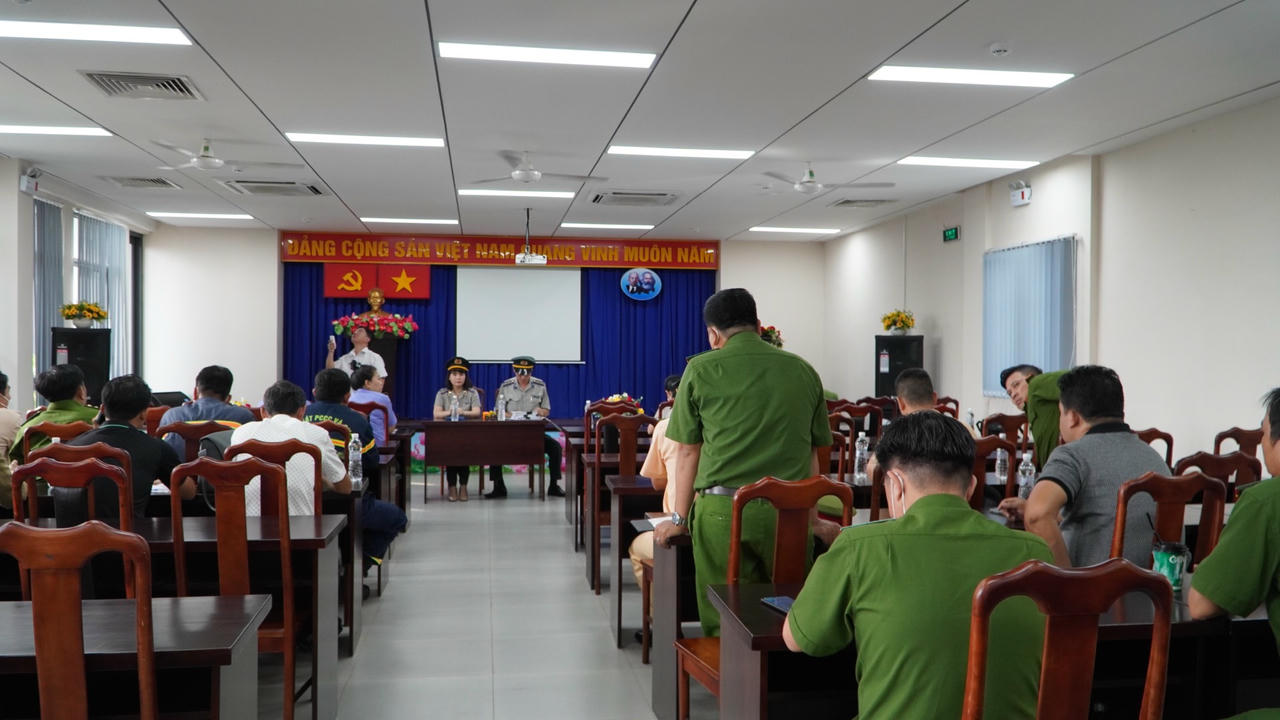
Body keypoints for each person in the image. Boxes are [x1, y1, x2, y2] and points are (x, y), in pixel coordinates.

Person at [782, 412, 1051, 719]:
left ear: (895, 484)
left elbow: (797, 639)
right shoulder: (1035, 554)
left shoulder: (859, 547)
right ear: (972, 486)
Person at [654, 288, 833, 636]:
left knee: (726, 616)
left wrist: (678, 519)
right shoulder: (803, 370)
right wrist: (811, 519)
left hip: (723, 511)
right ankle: (781, 669)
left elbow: (688, 451)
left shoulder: (700, 370)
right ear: (759, 325)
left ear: (713, 334)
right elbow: (813, 453)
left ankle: (729, 669)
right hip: (790, 514)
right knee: (790, 611)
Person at [997, 365, 1165, 567]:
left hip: (1095, 583)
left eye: (1060, 413)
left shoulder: (1071, 455)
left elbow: (1037, 516)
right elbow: (1104, 514)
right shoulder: (1154, 458)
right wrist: (1029, 508)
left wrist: (1068, 581)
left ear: (1072, 417)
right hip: (1152, 584)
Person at [1189, 387, 1280, 651]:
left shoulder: (1266, 501)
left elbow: (1201, 605)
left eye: (1263, 433)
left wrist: (1215, 573)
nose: (1262, 443)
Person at [303, 369, 408, 563]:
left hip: (304, 499)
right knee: (397, 518)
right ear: (347, 396)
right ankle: (359, 566)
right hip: (346, 499)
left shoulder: (300, 416)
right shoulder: (357, 419)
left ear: (315, 392)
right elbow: (371, 461)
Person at [58, 374, 192, 527]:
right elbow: (188, 493)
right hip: (127, 538)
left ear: (102, 409)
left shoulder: (72, 446)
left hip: (73, 537)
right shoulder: (155, 447)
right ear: (143, 414)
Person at [229, 380, 351, 516]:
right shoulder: (316, 433)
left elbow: (233, 479)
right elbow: (345, 487)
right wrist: (321, 480)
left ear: (262, 411)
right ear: (302, 411)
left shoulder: (241, 432)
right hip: (302, 526)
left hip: (246, 526)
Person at [864, 368, 977, 480]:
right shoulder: (964, 429)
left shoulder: (894, 434)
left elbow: (873, 472)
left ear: (900, 403)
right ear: (934, 398)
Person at [627, 374, 680, 595]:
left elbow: (658, 483)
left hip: (680, 524)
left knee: (637, 547)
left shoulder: (666, 427)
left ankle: (655, 612)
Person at [487, 356, 565, 498]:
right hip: (510, 434)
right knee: (493, 447)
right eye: (519, 373)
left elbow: (546, 410)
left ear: (531, 371)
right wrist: (512, 415)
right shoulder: (506, 386)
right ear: (514, 370)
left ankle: (554, 485)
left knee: (555, 448)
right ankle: (498, 486)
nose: (523, 377)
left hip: (534, 435)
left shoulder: (540, 385)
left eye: (526, 373)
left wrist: (541, 411)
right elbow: (498, 411)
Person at [158, 365, 257, 457]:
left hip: (178, 470)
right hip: (226, 470)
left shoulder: (171, 416)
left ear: (195, 392)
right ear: (228, 398)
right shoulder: (244, 417)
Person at [9, 364, 99, 463]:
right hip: (90, 473)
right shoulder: (99, 418)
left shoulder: (29, 427)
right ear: (81, 391)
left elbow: (16, 461)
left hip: (42, 473)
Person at [433, 357, 482, 501]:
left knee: (464, 453)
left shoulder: (472, 393)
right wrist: (451, 412)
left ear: (465, 376)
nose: (458, 378)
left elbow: (477, 412)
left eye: (461, 374)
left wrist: (462, 412)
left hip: (467, 434)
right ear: (449, 377)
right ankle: (452, 486)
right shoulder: (442, 393)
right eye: (454, 374)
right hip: (448, 435)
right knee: (451, 453)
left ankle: (464, 486)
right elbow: (436, 414)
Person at [1000, 363, 1064, 469]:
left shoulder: (1035, 383)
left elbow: (1080, 378)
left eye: (1016, 385)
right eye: (1009, 393)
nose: (1013, 394)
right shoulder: (1032, 406)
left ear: (1031, 377)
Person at [349, 366, 398, 445]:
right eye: (378, 378)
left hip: (355, 446)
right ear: (367, 383)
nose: (381, 382)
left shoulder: (349, 398)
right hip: (377, 447)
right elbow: (390, 428)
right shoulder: (383, 399)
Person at [0, 370, 23, 518]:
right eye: (8, 391)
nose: (10, 397)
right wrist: (15, 474)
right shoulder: (11, 417)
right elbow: (10, 495)